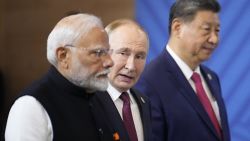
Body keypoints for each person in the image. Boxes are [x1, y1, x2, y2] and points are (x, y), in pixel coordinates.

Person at [4, 13, 116, 141]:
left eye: (107, 52)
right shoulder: (30, 106)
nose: (109, 62)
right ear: (63, 56)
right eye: (98, 53)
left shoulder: (101, 98)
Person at [136, 0, 231, 141]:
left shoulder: (212, 78)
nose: (214, 39)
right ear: (177, 28)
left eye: (217, 30)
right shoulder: (149, 82)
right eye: (206, 29)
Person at [95, 19, 152, 141]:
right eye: (123, 53)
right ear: (104, 54)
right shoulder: (88, 102)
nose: (131, 66)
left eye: (139, 56)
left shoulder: (144, 102)